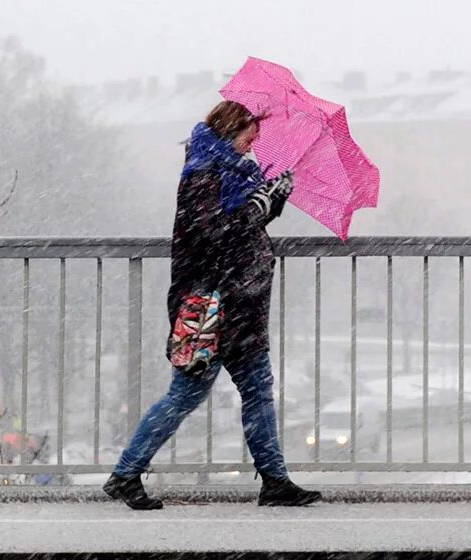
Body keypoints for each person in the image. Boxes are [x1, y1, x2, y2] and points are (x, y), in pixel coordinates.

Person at [104, 101, 322, 510]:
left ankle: (274, 480)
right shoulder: (202, 173)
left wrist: (275, 199)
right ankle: (126, 473)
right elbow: (213, 234)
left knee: (255, 391)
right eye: (248, 136)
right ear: (229, 130)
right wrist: (256, 207)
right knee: (186, 396)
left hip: (239, 305)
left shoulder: (231, 171)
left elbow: (241, 227)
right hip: (214, 306)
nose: (252, 144)